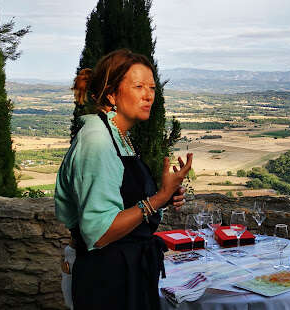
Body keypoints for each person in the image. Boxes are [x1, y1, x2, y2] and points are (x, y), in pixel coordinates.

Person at [55, 49, 193, 310]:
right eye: (138, 86)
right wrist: (158, 199)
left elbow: (126, 200)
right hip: (104, 279)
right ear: (111, 93)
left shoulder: (119, 135)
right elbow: (99, 232)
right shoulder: (98, 141)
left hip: (126, 270)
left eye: (152, 87)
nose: (149, 95)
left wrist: (165, 195)